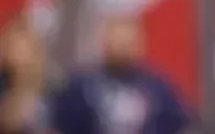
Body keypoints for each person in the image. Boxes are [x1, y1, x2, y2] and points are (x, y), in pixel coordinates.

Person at [52, 15, 191, 134]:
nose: (123, 47)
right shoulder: (80, 88)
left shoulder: (158, 88)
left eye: (128, 42)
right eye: (117, 41)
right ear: (105, 43)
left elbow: (181, 124)